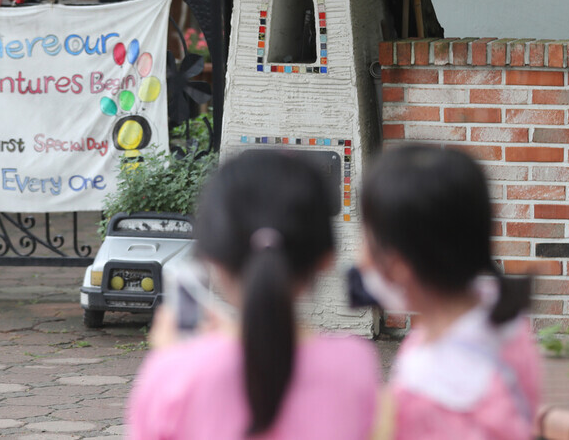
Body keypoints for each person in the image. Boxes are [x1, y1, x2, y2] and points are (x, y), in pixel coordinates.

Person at [126, 150, 380, 440]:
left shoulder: (174, 373)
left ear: (212, 258)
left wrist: (173, 358)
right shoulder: (355, 364)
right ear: (327, 258)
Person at [359, 145, 541, 440]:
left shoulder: (427, 394)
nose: (360, 257)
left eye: (365, 238)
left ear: (398, 265)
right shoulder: (504, 321)